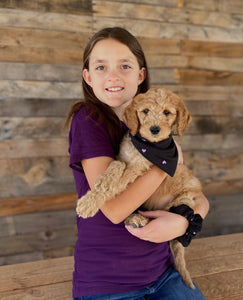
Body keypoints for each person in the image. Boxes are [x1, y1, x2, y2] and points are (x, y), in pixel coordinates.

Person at [66, 27, 209, 300]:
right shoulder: (88, 120)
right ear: (88, 77)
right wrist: (165, 161)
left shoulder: (151, 126)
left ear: (140, 74)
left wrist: (184, 224)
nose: (113, 76)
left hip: (162, 272)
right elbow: (114, 211)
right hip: (108, 284)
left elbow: (199, 198)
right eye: (100, 67)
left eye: (125, 66)